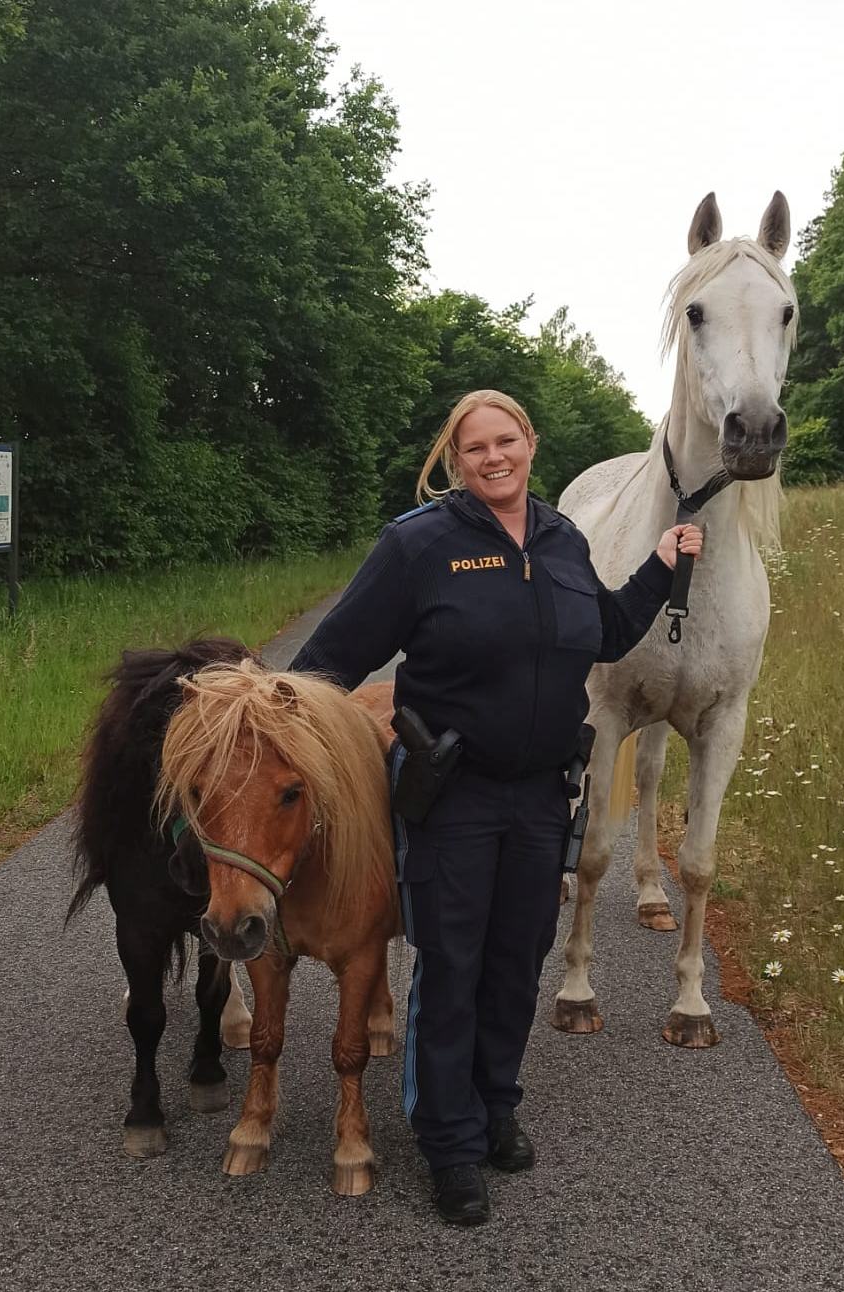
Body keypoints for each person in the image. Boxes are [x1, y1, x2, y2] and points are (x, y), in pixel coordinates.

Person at [288, 389, 701, 1225]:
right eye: (474, 447)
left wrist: (661, 564)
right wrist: (273, 718)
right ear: (455, 458)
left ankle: (495, 1106)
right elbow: (332, 657)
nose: (493, 458)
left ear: (530, 444)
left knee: (519, 959)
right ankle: (448, 1142)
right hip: (454, 796)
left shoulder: (559, 539)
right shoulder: (419, 546)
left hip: (544, 794)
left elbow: (608, 631)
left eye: (505, 441)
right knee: (453, 964)